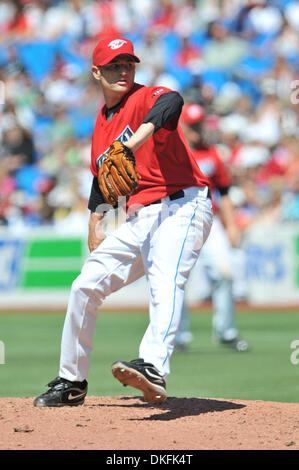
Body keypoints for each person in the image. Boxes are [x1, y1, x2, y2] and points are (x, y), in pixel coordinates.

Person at [33, 37, 214, 407]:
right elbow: (103, 180)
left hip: (183, 206)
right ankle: (71, 381)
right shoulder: (100, 126)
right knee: (85, 285)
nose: (123, 71)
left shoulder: (144, 97)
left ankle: (153, 366)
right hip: (141, 217)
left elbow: (172, 101)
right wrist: (95, 223)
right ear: (96, 72)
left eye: (128, 63)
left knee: (165, 281)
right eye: (115, 65)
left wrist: (130, 144)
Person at [176, 103, 249, 352]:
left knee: (225, 273)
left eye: (198, 124)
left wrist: (232, 226)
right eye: (191, 124)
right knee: (176, 279)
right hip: (178, 220)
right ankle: (177, 337)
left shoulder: (211, 154)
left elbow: (225, 191)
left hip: (210, 221)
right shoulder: (172, 152)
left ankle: (226, 332)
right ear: (181, 124)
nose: (196, 129)